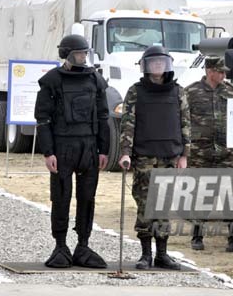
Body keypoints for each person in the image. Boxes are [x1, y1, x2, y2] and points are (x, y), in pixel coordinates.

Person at [34, 34, 109, 269]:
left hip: (88, 147)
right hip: (62, 146)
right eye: (79, 53)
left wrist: (103, 150)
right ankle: (60, 246)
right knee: (61, 197)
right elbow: (43, 119)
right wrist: (48, 152)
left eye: (85, 53)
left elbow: (104, 116)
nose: (83, 57)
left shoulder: (95, 80)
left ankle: (83, 245)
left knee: (87, 198)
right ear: (67, 54)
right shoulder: (51, 81)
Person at [118, 45, 190, 270]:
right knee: (145, 204)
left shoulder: (178, 91)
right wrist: (125, 153)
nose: (157, 66)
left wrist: (185, 154)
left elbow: (185, 123)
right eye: (153, 63)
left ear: (167, 65)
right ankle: (146, 255)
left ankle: (162, 254)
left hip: (170, 156)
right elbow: (127, 123)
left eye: (161, 62)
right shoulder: (136, 91)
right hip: (145, 158)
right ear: (146, 66)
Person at [185, 56, 233, 252]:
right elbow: (182, 121)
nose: (224, 75)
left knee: (230, 195)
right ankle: (197, 237)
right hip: (200, 154)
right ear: (210, 71)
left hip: (226, 152)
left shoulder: (231, 92)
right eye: (221, 71)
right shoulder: (191, 92)